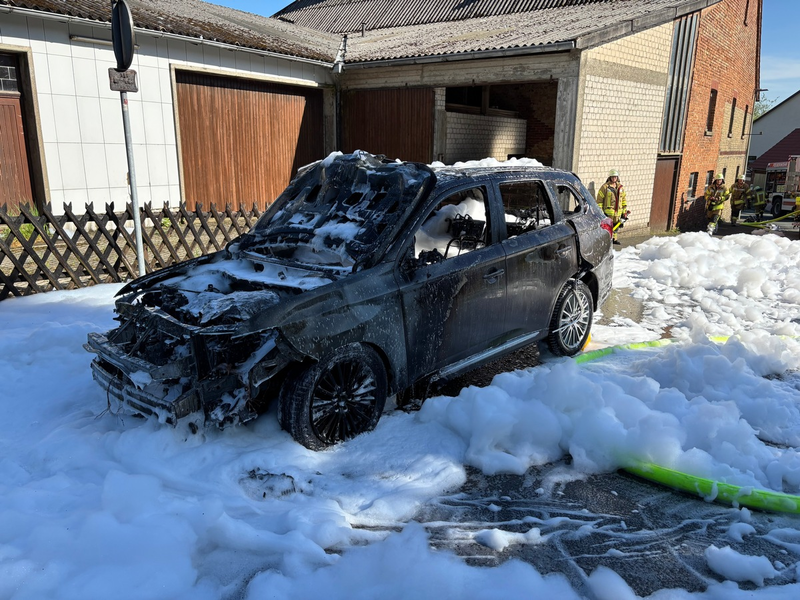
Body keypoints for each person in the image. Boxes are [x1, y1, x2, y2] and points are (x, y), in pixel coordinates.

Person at [596, 169, 628, 245]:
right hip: (608, 212)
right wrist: (601, 211)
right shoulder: (605, 187)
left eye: (615, 177)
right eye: (612, 177)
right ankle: (607, 239)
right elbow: (599, 200)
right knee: (608, 226)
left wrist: (624, 211)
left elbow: (623, 200)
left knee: (616, 226)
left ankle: (614, 239)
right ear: (610, 177)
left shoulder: (620, 188)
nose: (614, 178)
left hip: (618, 212)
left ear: (617, 177)